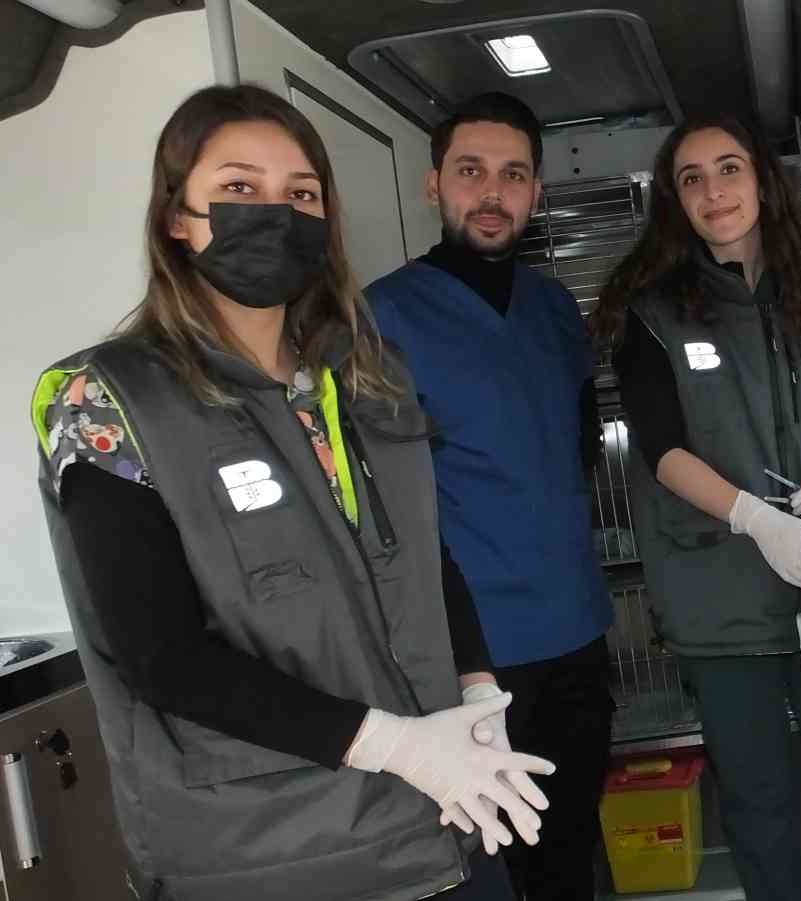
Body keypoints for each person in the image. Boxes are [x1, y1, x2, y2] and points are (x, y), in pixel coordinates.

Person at [29, 85, 553, 901]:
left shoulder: (362, 377)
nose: (274, 212)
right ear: (177, 215)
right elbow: (162, 657)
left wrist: (476, 690)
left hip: (439, 817)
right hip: (272, 852)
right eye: (239, 188)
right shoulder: (105, 399)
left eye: (301, 194)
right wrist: (392, 744)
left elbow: (423, 551)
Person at [365, 92, 615, 901]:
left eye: (513, 174)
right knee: (484, 864)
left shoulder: (553, 309)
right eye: (471, 171)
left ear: (536, 192)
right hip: (469, 653)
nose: (493, 192)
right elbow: (379, 505)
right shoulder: (382, 316)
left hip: (575, 630)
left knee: (569, 840)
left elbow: (578, 448)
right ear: (432, 184)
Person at [590, 114, 801, 901]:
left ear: (763, 182)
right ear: (674, 200)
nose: (714, 190)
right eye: (691, 178)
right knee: (762, 801)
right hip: (719, 603)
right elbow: (660, 448)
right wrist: (754, 516)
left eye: (728, 169)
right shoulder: (652, 311)